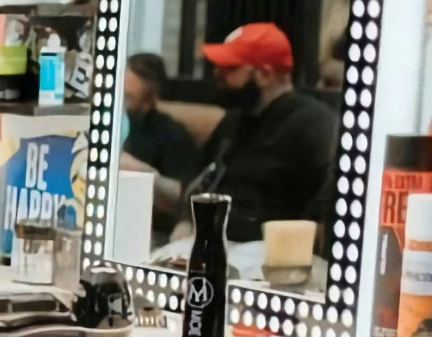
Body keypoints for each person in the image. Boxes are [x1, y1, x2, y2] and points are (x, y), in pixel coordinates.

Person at [193, 23, 338, 245]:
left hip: (270, 251)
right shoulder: (235, 121)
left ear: (266, 74)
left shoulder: (314, 124)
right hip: (214, 238)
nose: (217, 74)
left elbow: (330, 197)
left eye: (230, 68)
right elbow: (202, 178)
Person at [118, 52, 202, 239]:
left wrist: (147, 173)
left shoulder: (174, 135)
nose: (123, 100)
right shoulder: (114, 123)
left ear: (153, 90)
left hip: (154, 229)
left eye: (129, 96)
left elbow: (184, 195)